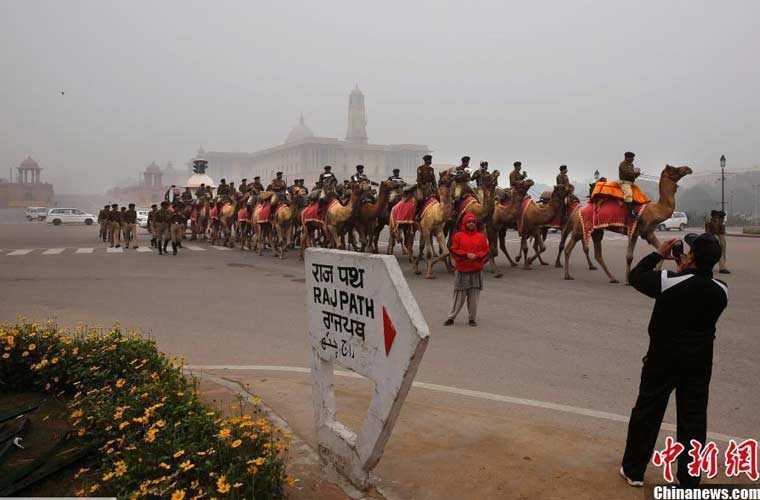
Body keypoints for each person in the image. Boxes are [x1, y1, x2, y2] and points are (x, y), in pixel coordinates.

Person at [620, 234, 728, 488]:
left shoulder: (669, 281)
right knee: (693, 417)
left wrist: (659, 254)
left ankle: (634, 470)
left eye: (688, 250)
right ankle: (689, 479)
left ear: (691, 257)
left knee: (648, 411)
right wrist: (685, 270)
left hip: (663, 357)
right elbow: (695, 286)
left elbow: (636, 276)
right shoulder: (722, 290)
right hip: (699, 362)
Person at [444, 213, 490, 327]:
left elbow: (486, 251)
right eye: (469, 222)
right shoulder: (458, 236)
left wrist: (477, 255)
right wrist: (466, 255)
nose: (471, 224)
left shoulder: (481, 237)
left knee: (474, 298)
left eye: (473, 222)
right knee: (459, 297)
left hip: (476, 271)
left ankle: (472, 318)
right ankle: (451, 317)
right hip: (462, 270)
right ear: (464, 223)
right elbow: (454, 250)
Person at [618, 151, 641, 219]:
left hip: (631, 183)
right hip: (625, 183)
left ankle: (634, 210)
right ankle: (630, 214)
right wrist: (636, 173)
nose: (633, 159)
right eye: (631, 158)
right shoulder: (622, 164)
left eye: (633, 158)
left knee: (637, 195)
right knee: (628, 195)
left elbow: (632, 176)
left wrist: (637, 173)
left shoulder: (631, 165)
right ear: (626, 157)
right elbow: (627, 174)